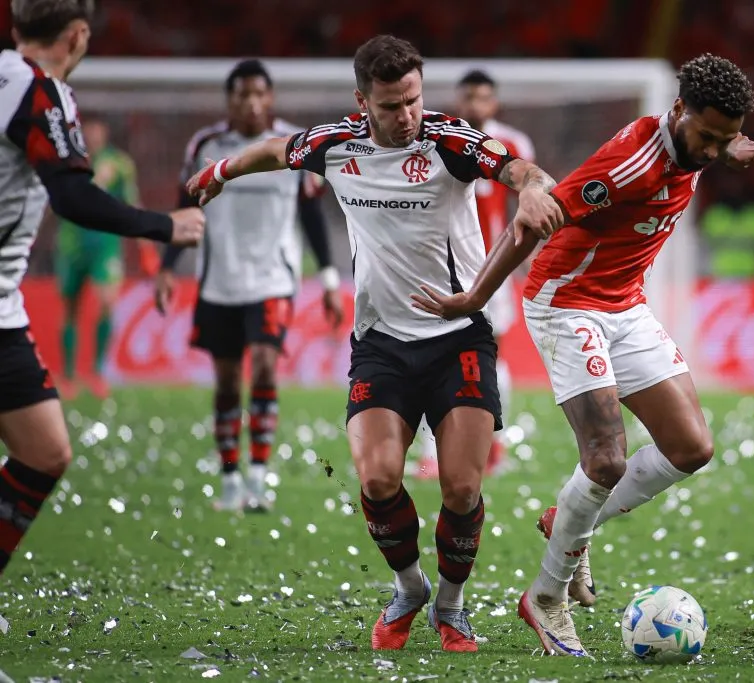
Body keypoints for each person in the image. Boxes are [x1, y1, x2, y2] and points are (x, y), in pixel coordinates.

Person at [183, 35, 561, 653]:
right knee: (379, 478)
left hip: (458, 336)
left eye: (413, 99)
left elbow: (517, 167)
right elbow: (276, 150)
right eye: (390, 105)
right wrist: (219, 171)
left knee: (463, 487)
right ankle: (409, 588)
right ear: (363, 102)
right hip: (381, 343)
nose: (406, 115)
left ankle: (452, 604)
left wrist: (535, 187)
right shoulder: (336, 145)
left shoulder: (450, 140)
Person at [411, 53, 754, 655]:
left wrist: (726, 149)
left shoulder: (699, 141)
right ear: (678, 112)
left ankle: (571, 522)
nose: (711, 150)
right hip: (565, 301)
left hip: (624, 304)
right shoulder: (628, 165)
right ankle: (545, 599)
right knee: (605, 461)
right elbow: (532, 223)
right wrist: (473, 297)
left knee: (691, 448)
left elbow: (708, 147)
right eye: (706, 137)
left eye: (723, 139)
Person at [0, 0, 203, 645]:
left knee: (45, 450)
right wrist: (163, 224)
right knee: (43, 452)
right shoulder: (42, 93)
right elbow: (73, 195)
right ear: (80, 35)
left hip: (4, 312)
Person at [156, 59, 344, 513]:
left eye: (260, 94)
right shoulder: (206, 144)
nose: (252, 103)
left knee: (262, 366)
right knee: (225, 381)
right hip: (218, 280)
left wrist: (329, 279)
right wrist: (166, 266)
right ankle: (229, 479)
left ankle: (258, 479)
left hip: (273, 280)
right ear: (230, 100)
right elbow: (185, 206)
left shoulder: (294, 146)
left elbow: (311, 214)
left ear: (271, 97)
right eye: (243, 95)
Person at [416, 69, 537, 479]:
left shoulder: (515, 145)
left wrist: (523, 262)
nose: (475, 105)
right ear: (458, 100)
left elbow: (525, 211)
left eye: (483, 97)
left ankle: (493, 445)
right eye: (468, 97)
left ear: (494, 102)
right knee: (429, 357)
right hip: (438, 266)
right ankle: (431, 453)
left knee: (491, 356)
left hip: (491, 269)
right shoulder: (440, 142)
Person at [55, 117, 155, 398]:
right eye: (89, 130)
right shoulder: (69, 159)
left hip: (106, 244)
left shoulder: (119, 163)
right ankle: (67, 375)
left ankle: (97, 372)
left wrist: (145, 246)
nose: (93, 135)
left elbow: (132, 202)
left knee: (108, 302)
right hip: (72, 243)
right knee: (70, 309)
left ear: (105, 133)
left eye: (98, 130)